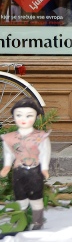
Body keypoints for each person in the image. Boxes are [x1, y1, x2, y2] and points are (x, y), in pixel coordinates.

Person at [0, 98, 50, 230]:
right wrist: (7, 166)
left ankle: (37, 222)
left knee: (36, 198)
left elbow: (44, 153)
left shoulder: (40, 136)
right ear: (13, 116)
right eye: (19, 115)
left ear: (35, 117)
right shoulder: (9, 138)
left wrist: (44, 168)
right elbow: (9, 153)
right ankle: (20, 221)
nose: (23, 119)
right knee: (20, 198)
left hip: (35, 171)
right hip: (19, 171)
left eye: (29, 116)